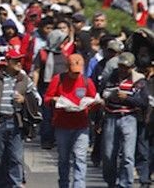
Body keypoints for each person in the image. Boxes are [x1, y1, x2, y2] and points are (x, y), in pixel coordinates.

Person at [0, 46, 40, 188]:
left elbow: (37, 98)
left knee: (15, 157)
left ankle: (15, 184)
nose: (19, 63)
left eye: (20, 60)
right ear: (8, 61)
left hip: (16, 122)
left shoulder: (24, 79)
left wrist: (25, 99)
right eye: (16, 60)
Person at [43, 53, 96, 188]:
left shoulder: (86, 82)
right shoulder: (58, 79)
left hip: (81, 125)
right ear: (67, 68)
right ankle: (64, 184)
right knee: (63, 159)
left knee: (80, 158)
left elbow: (94, 99)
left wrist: (92, 103)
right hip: (62, 125)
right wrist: (55, 100)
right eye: (73, 72)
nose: (75, 75)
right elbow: (47, 99)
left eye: (78, 72)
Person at [100, 52, 148, 188]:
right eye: (120, 66)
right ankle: (110, 181)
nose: (122, 69)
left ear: (132, 67)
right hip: (111, 116)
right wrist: (107, 97)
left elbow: (143, 101)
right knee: (109, 154)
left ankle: (125, 183)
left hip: (128, 118)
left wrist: (126, 98)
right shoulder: (111, 76)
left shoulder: (138, 80)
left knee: (128, 155)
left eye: (126, 67)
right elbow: (101, 91)